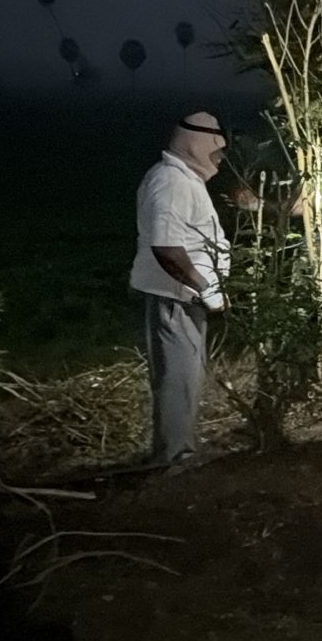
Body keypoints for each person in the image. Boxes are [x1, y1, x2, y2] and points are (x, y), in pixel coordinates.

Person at [130, 111, 231, 467]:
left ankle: (177, 453)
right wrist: (205, 287)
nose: (220, 159)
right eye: (217, 150)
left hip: (182, 296)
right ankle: (176, 459)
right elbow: (167, 247)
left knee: (185, 377)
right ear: (197, 144)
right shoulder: (172, 183)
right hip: (176, 296)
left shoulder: (181, 179)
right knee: (178, 379)